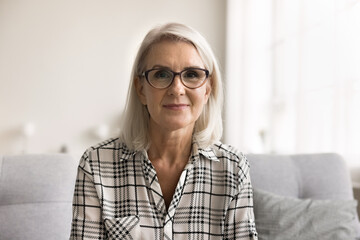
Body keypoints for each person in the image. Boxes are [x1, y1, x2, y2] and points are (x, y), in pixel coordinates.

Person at [70, 22, 258, 240]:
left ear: (207, 89)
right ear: (141, 89)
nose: (177, 89)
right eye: (161, 74)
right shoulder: (95, 165)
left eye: (192, 74)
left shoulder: (233, 168)